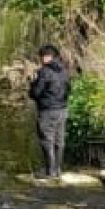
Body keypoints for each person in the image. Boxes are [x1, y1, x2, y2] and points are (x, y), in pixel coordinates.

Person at [28, 44, 72, 180]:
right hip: (62, 110)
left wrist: (32, 83)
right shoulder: (64, 71)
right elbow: (69, 89)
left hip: (48, 111)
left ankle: (50, 172)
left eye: (41, 56)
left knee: (47, 141)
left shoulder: (44, 72)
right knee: (59, 141)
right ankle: (58, 170)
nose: (40, 59)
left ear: (47, 57)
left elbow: (35, 93)